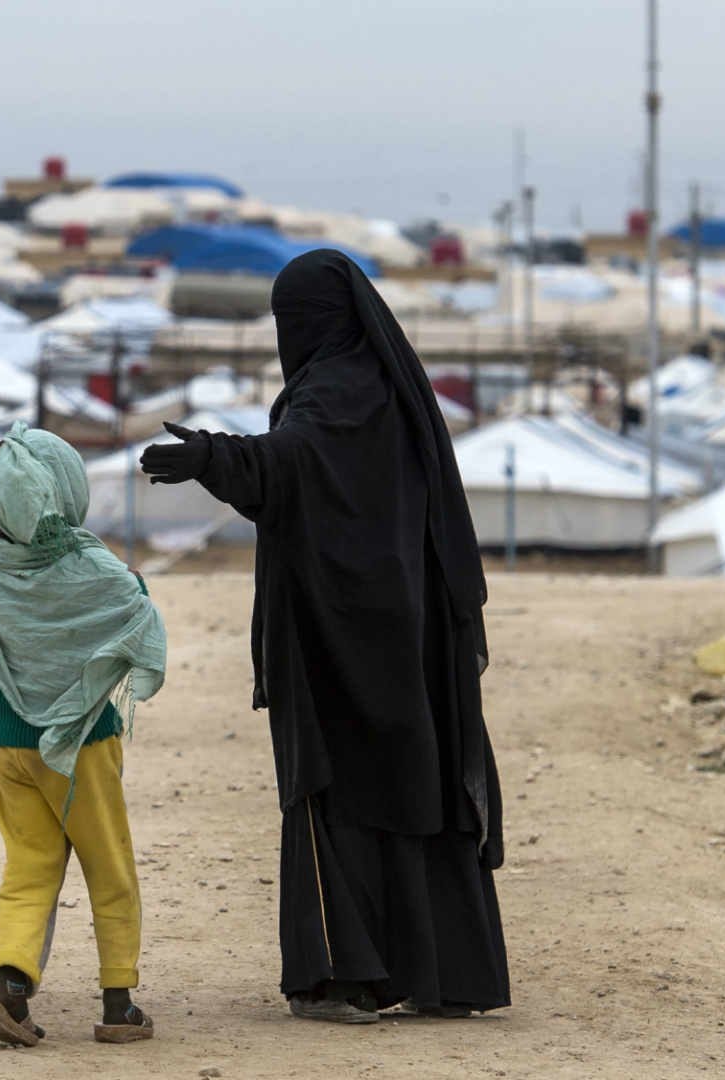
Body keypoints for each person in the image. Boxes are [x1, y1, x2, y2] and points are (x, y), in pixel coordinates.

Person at [140, 249, 508, 1023]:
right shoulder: (389, 386)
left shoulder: (335, 388)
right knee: (412, 783)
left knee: (341, 787)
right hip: (404, 624)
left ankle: (350, 974)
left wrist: (213, 454)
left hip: (342, 630)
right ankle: (446, 972)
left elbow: (295, 462)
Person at [0, 424, 168, 1047]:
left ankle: (10, 987)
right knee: (110, 868)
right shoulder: (88, 559)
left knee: (29, 869)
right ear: (67, 489)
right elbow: (135, 609)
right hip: (83, 746)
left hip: (11, 745)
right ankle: (119, 1003)